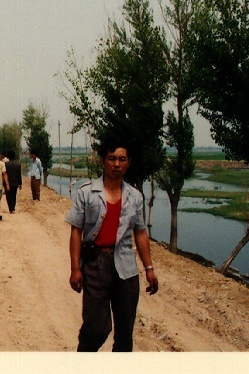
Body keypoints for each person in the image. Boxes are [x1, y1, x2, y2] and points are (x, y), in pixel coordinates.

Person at [65, 137, 158, 352]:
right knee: (96, 329)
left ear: (128, 162)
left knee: (125, 335)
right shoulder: (86, 193)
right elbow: (76, 231)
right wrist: (75, 269)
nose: (117, 164)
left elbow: (140, 233)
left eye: (122, 159)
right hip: (95, 264)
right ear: (102, 161)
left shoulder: (135, 197)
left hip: (125, 267)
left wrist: (149, 269)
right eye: (112, 158)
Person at [4, 150, 22, 214]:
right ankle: (13, 208)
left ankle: (10, 208)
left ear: (8, 156)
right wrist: (20, 184)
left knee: (8, 196)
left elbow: (4, 174)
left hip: (8, 183)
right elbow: (19, 175)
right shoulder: (18, 165)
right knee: (14, 195)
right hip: (15, 183)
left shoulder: (6, 164)